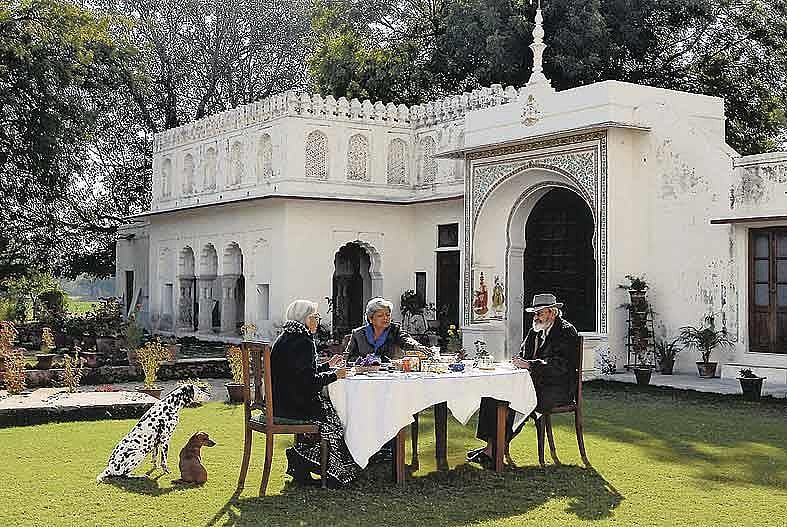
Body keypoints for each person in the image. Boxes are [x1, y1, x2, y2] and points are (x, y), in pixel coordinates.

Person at [467, 293, 579, 468]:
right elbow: (523, 355)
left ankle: (493, 452)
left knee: (514, 400)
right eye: (534, 313)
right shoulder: (535, 330)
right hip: (531, 384)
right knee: (492, 395)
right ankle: (491, 448)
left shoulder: (566, 332)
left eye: (539, 313)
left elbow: (561, 366)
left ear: (553, 313)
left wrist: (530, 365)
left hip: (556, 389)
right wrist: (518, 361)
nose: (535, 317)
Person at [271, 299, 360, 486]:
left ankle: (302, 460)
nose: (317, 321)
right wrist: (335, 375)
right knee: (339, 417)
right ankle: (333, 471)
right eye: (315, 317)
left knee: (331, 412)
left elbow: (299, 372)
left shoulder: (285, 337)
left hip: (282, 403)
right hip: (296, 407)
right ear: (304, 319)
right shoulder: (303, 341)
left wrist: (328, 366)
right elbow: (309, 383)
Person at [344, 297, 433, 363]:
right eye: (380, 316)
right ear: (370, 318)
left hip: (390, 374)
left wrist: (417, 346)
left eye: (387, 315)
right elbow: (348, 358)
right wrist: (366, 361)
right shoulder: (358, 334)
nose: (385, 318)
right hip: (364, 375)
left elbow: (406, 339)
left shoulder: (395, 330)